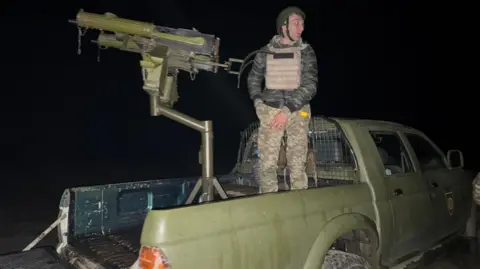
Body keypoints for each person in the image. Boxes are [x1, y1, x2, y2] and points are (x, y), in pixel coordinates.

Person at [247, 6, 318, 193]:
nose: (301, 28)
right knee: (267, 163)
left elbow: (310, 84)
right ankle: (270, 205)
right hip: (270, 109)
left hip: (297, 109)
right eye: (296, 23)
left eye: (302, 24)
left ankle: (299, 202)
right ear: (284, 26)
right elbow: (253, 78)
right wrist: (257, 103)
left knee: (297, 163)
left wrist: (287, 110)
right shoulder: (266, 52)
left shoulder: (306, 51)